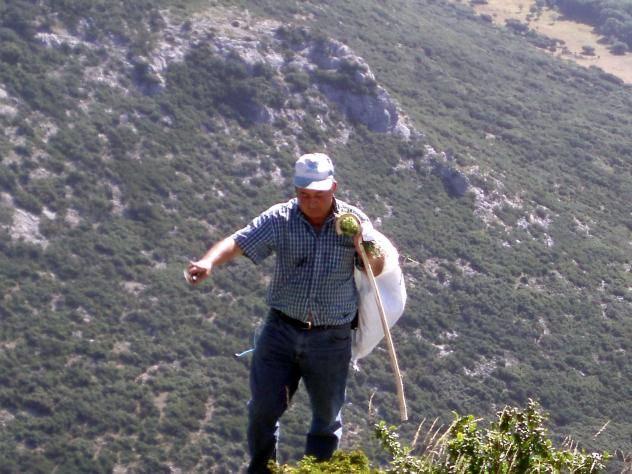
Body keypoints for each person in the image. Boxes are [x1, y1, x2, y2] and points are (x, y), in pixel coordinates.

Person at [185, 152, 384, 473]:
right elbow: (239, 241)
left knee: (326, 418)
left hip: (331, 338)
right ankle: (263, 469)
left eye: (318, 195)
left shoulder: (354, 223)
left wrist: (364, 243)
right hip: (280, 331)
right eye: (304, 194)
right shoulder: (281, 218)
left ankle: (318, 470)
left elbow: (376, 268)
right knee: (262, 410)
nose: (311, 202)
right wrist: (209, 262)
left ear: (333, 187)